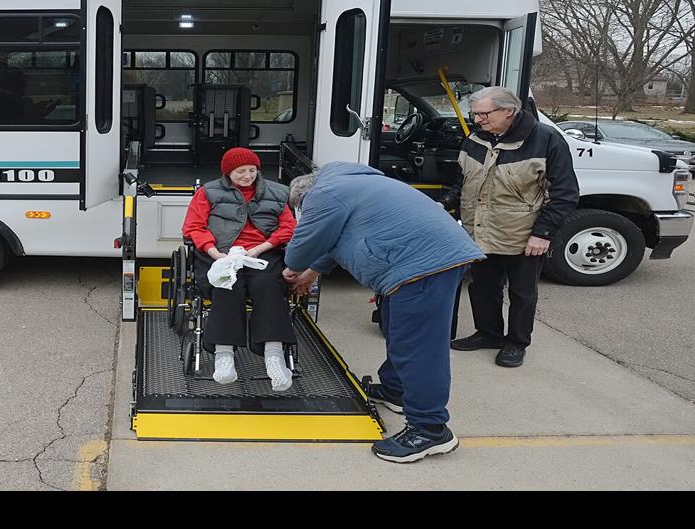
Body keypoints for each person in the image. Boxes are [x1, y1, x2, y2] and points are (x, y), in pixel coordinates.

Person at [282, 163, 483, 463]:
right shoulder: (349, 186)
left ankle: (429, 429)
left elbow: (303, 245)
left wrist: (292, 268)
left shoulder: (323, 195)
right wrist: (313, 272)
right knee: (395, 327)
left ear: (302, 198)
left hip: (420, 267)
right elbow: (334, 241)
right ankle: (395, 390)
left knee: (417, 348)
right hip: (425, 258)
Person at [449, 87, 579, 368]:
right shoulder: (475, 138)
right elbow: (462, 180)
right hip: (479, 230)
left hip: (523, 234)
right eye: (475, 114)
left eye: (484, 114)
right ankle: (488, 334)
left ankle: (516, 343)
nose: (478, 120)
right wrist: (445, 203)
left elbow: (565, 193)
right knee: (482, 286)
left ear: (509, 111)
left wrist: (542, 233)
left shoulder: (546, 140)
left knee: (521, 292)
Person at [181, 147, 299, 390]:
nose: (247, 176)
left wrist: (259, 249)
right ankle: (224, 356)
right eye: (240, 171)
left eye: (252, 170)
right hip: (220, 253)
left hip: (262, 253)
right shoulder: (207, 192)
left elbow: (288, 228)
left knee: (268, 284)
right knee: (227, 284)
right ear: (227, 173)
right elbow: (193, 227)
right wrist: (216, 254)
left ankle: (274, 356)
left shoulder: (278, 193)